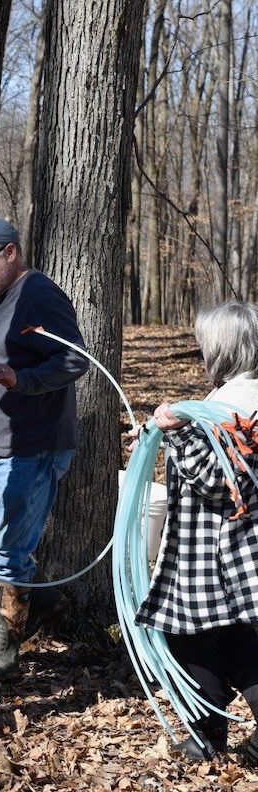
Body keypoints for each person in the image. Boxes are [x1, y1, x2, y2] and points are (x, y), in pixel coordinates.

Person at [0, 216, 89, 680]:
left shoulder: (38, 294)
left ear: (10, 253)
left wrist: (23, 380)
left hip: (34, 445)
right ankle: (38, 594)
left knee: (10, 549)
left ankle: (4, 651)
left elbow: (74, 357)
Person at [134, 300, 258, 764]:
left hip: (212, 553)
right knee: (241, 643)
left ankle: (206, 739)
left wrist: (177, 434)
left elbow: (218, 482)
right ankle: (210, 738)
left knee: (191, 639)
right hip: (239, 552)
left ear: (221, 350)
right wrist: (162, 434)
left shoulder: (229, 408)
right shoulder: (235, 402)